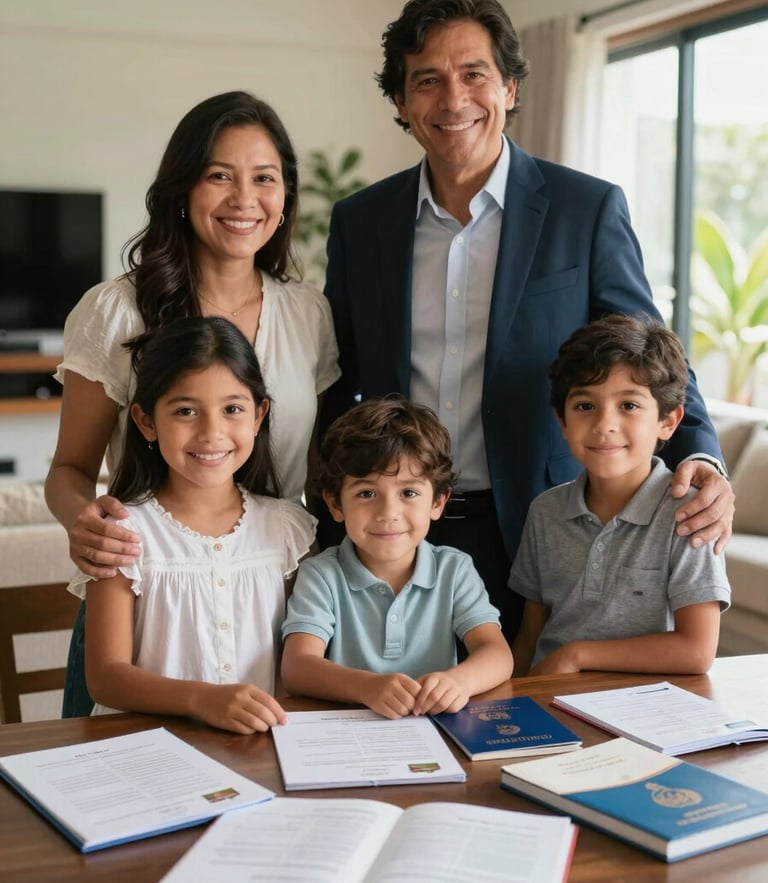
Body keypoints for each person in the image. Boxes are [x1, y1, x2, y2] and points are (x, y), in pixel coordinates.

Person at [319, 0, 734, 646]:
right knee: (389, 723)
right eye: (427, 79)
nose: (453, 98)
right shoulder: (361, 222)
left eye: (474, 74)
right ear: (402, 103)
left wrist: (703, 458)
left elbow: (653, 355)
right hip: (391, 528)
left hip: (534, 529)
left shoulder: (585, 209)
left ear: (510, 89)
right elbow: (335, 378)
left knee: (522, 729)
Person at [45, 91, 339, 715]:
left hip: (271, 600)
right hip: (150, 605)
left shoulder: (307, 312)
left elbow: (313, 470)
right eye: (218, 176)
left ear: (286, 195)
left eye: (265, 178)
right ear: (182, 189)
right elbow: (69, 470)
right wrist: (90, 525)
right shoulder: (116, 310)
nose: (244, 199)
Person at [67, 316, 317, 733]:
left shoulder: (288, 530)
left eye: (233, 409)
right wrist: (201, 699)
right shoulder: (122, 532)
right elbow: (106, 678)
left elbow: (303, 656)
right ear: (146, 421)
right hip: (147, 756)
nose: (211, 433)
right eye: (186, 411)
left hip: (258, 753)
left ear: (259, 415)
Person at [510, 315, 731, 677]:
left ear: (669, 421)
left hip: (648, 711)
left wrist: (576, 655)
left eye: (628, 405)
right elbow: (530, 634)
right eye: (585, 406)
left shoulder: (691, 512)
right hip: (549, 702)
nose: (604, 424)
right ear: (561, 422)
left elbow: (696, 651)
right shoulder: (545, 511)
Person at [281, 397, 513, 719]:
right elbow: (297, 667)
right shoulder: (321, 575)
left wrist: (459, 681)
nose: (388, 514)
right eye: (366, 493)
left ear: (438, 502)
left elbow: (497, 654)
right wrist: (368, 687)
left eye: (408, 493)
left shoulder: (455, 569)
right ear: (336, 504)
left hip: (438, 731)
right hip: (349, 736)